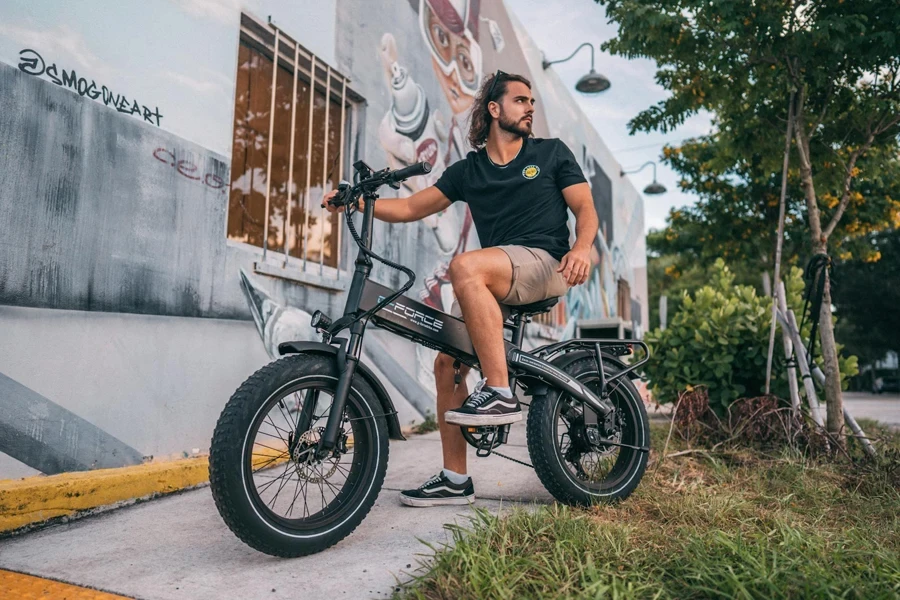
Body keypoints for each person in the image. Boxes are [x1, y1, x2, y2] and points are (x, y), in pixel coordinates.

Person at [323, 71, 599, 507]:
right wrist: (357, 201)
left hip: (547, 264)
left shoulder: (550, 154)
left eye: (532, 102)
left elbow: (584, 207)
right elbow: (414, 205)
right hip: (499, 277)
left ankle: (499, 391)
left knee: (465, 268)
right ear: (494, 109)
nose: (530, 108)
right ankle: (455, 480)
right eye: (520, 100)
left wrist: (582, 247)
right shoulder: (469, 171)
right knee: (447, 363)